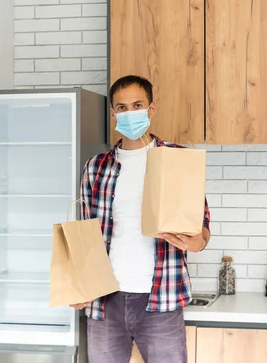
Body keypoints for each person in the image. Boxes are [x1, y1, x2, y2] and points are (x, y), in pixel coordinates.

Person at [74, 75, 211, 363]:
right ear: (113, 113)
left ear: (151, 109)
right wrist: (79, 286)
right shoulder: (95, 167)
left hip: (161, 299)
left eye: (137, 105)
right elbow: (85, 237)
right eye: (122, 107)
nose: (129, 112)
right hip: (105, 301)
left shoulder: (177, 159)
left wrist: (197, 242)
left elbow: (202, 229)